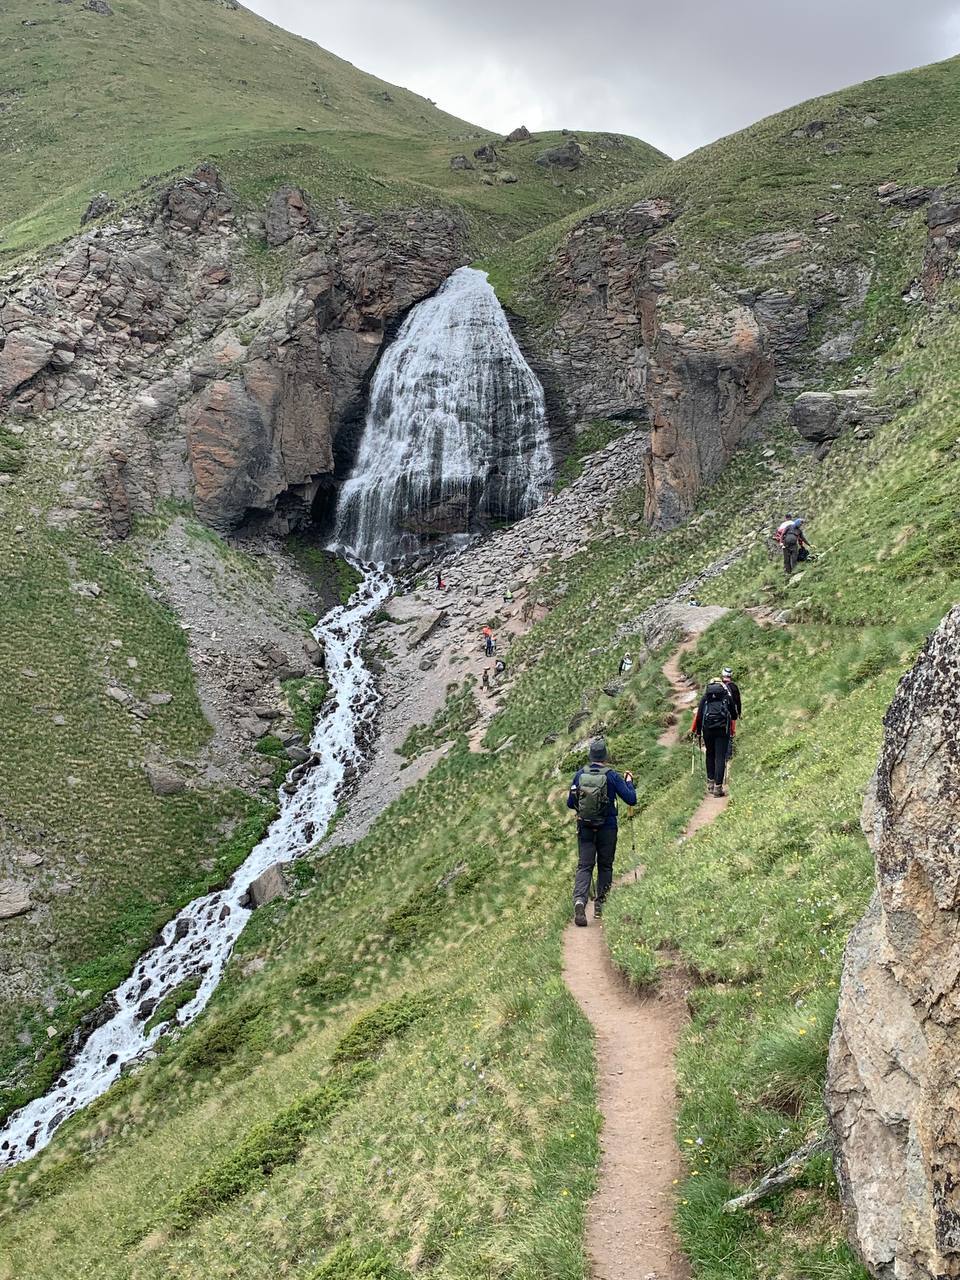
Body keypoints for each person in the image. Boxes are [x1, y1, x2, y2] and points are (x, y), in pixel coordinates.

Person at [567, 738, 637, 926]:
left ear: (590, 756)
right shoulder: (612, 776)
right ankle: (600, 905)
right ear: (605, 756)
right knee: (605, 865)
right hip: (607, 828)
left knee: (585, 866)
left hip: (585, 828)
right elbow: (631, 799)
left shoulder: (579, 774)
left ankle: (580, 901)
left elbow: (569, 803)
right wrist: (629, 782)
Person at [691, 678, 735, 797]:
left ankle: (710, 783)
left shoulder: (706, 698)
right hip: (722, 730)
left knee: (710, 754)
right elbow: (734, 714)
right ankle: (718, 788)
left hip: (708, 730)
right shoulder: (726, 697)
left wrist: (699, 732)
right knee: (720, 756)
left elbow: (699, 715)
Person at [721, 666, 742, 762]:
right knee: (730, 733)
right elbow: (738, 701)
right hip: (731, 713)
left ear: (723, 675)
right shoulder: (734, 686)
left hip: (720, 714)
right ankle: (728, 755)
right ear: (731, 675)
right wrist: (739, 713)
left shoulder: (719, 686)